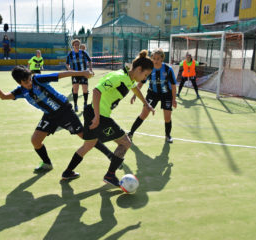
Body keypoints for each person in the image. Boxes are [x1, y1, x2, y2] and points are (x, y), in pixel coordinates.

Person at [0, 66, 114, 173]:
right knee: (35, 140)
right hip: (50, 116)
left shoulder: (38, 79)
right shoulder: (20, 91)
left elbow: (61, 75)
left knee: (85, 137)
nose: (29, 82)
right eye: (26, 82)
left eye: (29, 79)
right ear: (19, 83)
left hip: (64, 111)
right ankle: (47, 163)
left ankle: (110, 155)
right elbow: (4, 96)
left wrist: (82, 73)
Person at [61, 50, 154, 186]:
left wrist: (146, 104)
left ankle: (67, 172)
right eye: (145, 75)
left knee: (88, 145)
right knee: (125, 143)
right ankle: (110, 175)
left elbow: (134, 88)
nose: (145, 79)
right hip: (99, 116)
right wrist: (97, 117)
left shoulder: (128, 78)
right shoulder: (118, 77)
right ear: (139, 69)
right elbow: (96, 91)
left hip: (92, 112)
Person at [128, 48, 177, 144]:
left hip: (166, 95)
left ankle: (168, 135)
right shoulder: (149, 69)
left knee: (167, 117)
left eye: (158, 58)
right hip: (152, 94)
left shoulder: (168, 69)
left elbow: (173, 85)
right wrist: (134, 95)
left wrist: (173, 99)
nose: (155, 60)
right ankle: (131, 133)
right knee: (143, 115)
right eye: (154, 58)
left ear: (162, 59)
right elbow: (141, 82)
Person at [66, 39, 93, 112]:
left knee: (85, 89)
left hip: (84, 73)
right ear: (73, 46)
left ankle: (85, 104)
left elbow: (90, 60)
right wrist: (69, 69)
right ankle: (75, 105)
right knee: (75, 90)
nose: (77, 46)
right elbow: (67, 64)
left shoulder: (83, 52)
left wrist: (90, 69)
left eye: (78, 45)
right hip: (75, 74)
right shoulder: (70, 54)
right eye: (75, 45)